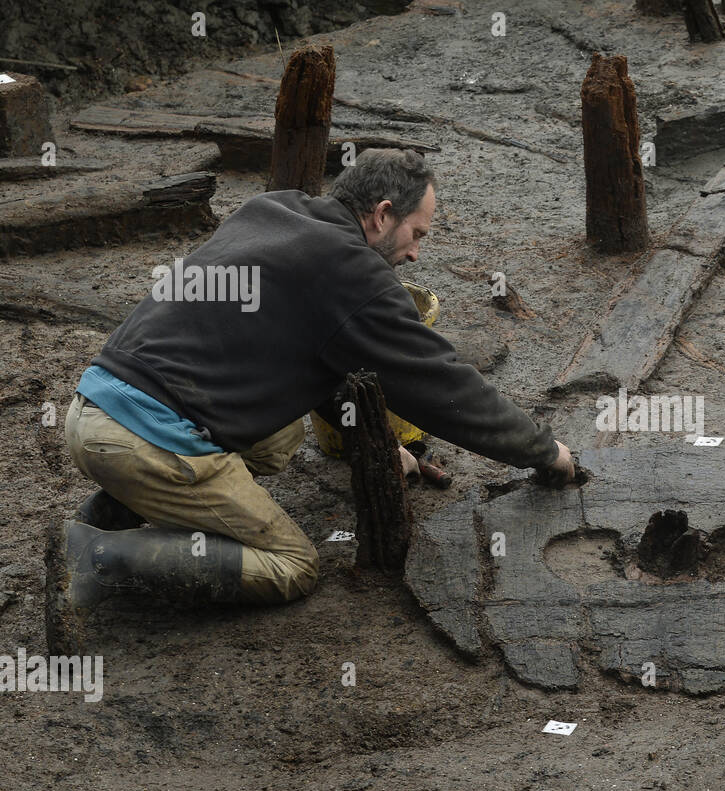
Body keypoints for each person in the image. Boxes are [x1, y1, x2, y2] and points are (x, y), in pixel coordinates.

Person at [47, 149, 574, 653]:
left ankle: (117, 504)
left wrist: (381, 446)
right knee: (291, 567)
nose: (415, 253)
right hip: (148, 442)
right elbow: (445, 386)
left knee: (280, 438)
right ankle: (97, 555)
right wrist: (544, 452)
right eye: (416, 234)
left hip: (92, 408)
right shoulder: (355, 276)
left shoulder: (271, 208)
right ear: (383, 214)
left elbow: (320, 361)